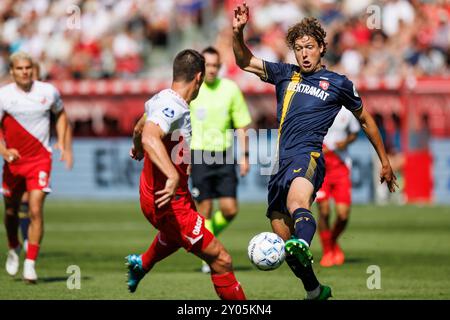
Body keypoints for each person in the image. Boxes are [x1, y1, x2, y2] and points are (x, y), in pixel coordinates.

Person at [232, 2, 398, 300]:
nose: (304, 53)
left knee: (299, 203)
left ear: (322, 47)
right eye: (298, 48)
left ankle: (306, 245)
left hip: (309, 156)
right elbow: (245, 61)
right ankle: (314, 290)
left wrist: (384, 161)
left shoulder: (339, 84)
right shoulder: (285, 74)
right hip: (279, 163)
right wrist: (238, 31)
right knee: (285, 238)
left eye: (309, 47)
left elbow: (366, 120)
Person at [126, 49, 246, 300]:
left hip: (162, 195)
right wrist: (171, 174)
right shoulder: (174, 106)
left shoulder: (161, 98)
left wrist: (137, 147)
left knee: (173, 237)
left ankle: (142, 264)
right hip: (170, 201)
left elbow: (140, 128)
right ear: (199, 77)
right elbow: (149, 135)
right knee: (222, 260)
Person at [0, 51, 69, 283]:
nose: (25, 72)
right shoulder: (4, 96)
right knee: (10, 212)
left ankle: (30, 264)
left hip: (40, 160)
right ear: (12, 71)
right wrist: (4, 151)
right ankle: (13, 247)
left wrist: (61, 139)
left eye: (28, 67)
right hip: (13, 162)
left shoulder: (48, 92)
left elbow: (60, 114)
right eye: (19, 69)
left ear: (33, 69)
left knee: (35, 209)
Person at [189, 46, 251, 273]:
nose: (212, 70)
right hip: (199, 154)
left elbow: (242, 124)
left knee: (230, 209)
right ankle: (208, 255)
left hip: (224, 155)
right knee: (204, 209)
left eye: (216, 65)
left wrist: (245, 156)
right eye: (208, 65)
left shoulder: (230, 89)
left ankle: (206, 240)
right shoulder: (193, 89)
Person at [17, 61, 74, 253]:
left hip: (40, 155)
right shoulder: (13, 96)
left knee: (32, 200)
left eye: (34, 73)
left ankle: (27, 241)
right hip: (17, 154)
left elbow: (64, 119)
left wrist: (66, 147)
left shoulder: (47, 95)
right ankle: (24, 237)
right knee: (19, 201)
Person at [315, 107, 360, 267]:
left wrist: (346, 142)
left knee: (343, 215)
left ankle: (332, 241)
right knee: (324, 210)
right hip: (320, 168)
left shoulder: (346, 112)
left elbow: (355, 133)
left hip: (340, 167)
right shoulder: (316, 107)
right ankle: (327, 251)